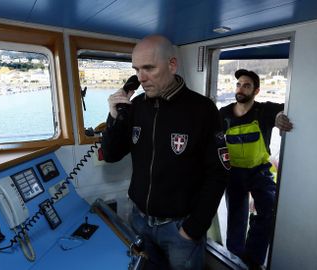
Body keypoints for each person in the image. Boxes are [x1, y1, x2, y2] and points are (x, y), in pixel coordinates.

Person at [101, 35, 228, 270]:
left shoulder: (202, 109)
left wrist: (193, 229)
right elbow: (110, 154)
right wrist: (114, 116)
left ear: (171, 65)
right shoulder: (136, 106)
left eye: (149, 68)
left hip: (180, 228)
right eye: (137, 69)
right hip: (139, 221)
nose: (141, 77)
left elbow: (218, 173)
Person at [220, 69, 293, 269]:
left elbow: (286, 108)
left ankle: (252, 260)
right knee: (236, 216)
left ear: (256, 91)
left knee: (268, 213)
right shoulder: (224, 113)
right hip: (233, 173)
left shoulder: (264, 110)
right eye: (238, 84)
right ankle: (234, 258)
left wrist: (279, 116)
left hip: (259, 171)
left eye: (246, 85)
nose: (240, 89)